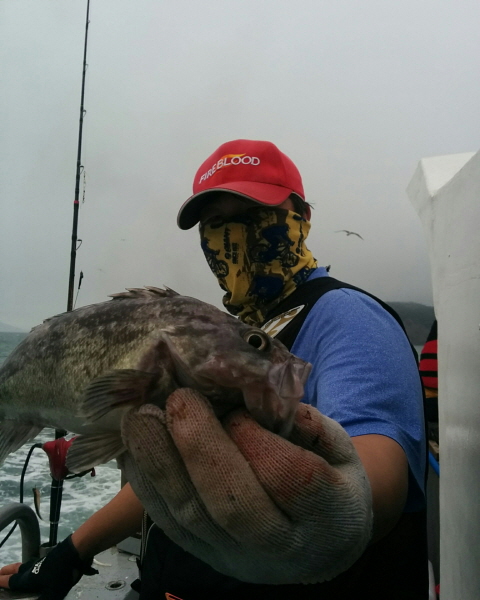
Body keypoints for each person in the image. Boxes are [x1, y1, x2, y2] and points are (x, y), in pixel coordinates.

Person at [0, 139, 428, 599]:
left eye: (254, 215)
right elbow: (171, 467)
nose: (234, 236)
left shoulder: (348, 314)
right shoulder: (232, 332)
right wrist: (71, 553)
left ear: (302, 217)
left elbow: (375, 466)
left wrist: (343, 515)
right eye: (217, 224)